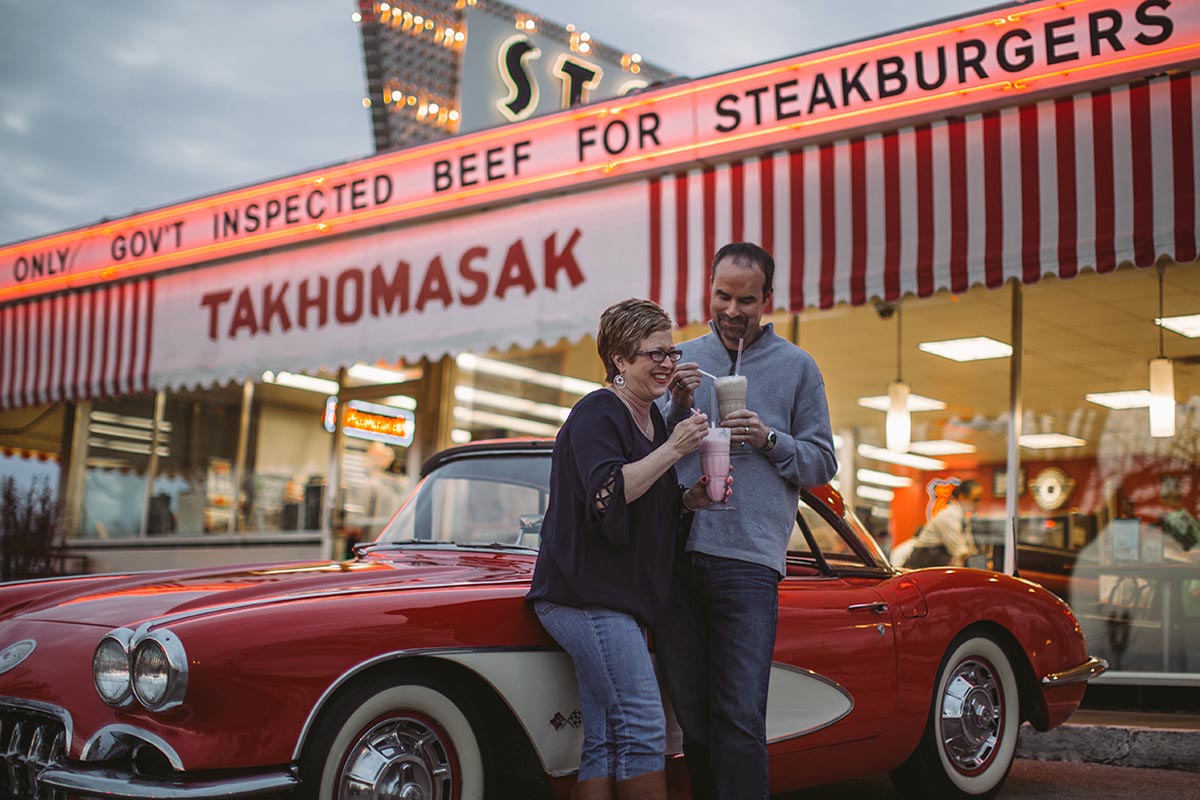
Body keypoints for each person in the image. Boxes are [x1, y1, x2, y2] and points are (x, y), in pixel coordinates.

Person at [657, 242, 838, 800]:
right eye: (722, 296)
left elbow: (822, 462)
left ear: (768, 299)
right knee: (693, 716)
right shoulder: (680, 358)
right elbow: (646, 449)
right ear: (708, 290)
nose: (732, 310)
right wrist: (674, 404)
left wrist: (770, 440)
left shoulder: (796, 367)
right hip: (677, 556)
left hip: (748, 561)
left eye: (746, 299)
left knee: (738, 715)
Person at [527, 298, 726, 800]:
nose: (667, 363)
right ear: (619, 358)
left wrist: (688, 499)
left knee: (604, 739)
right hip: (586, 595)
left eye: (672, 352)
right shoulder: (599, 411)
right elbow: (606, 495)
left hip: (609, 596)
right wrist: (675, 450)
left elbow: (642, 507)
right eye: (653, 354)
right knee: (642, 723)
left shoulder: (651, 421)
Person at [905, 479, 984, 568]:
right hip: (924, 562)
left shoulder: (962, 517)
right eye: (975, 499)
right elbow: (960, 551)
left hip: (935, 562)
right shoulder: (948, 516)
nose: (977, 504)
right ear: (962, 496)